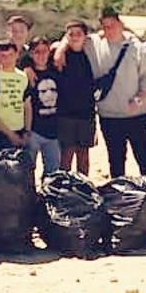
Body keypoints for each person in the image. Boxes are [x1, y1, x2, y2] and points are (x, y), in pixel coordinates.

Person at [84, 7, 146, 178]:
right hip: (109, 117)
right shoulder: (94, 44)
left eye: (113, 25)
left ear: (121, 24)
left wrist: (137, 99)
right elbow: (69, 36)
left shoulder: (136, 47)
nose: (110, 30)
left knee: (145, 162)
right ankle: (119, 200)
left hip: (136, 115)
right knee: (116, 162)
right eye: (105, 26)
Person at [52, 20, 98, 176]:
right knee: (66, 155)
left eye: (79, 34)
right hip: (65, 113)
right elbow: (34, 58)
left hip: (87, 113)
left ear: (85, 36)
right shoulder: (59, 55)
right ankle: (63, 189)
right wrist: (61, 47)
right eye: (71, 34)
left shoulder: (91, 53)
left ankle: (83, 190)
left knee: (84, 155)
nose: (75, 37)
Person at [0, 40, 31, 152]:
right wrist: (11, 135)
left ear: (17, 55)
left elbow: (27, 106)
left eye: (11, 55)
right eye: (3, 56)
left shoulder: (23, 77)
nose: (8, 59)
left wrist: (27, 131)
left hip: (20, 132)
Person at [25, 37, 61, 172]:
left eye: (44, 51)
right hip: (33, 130)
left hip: (53, 130)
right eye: (37, 52)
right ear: (31, 54)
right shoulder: (26, 75)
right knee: (28, 170)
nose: (41, 55)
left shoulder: (56, 71)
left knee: (53, 171)